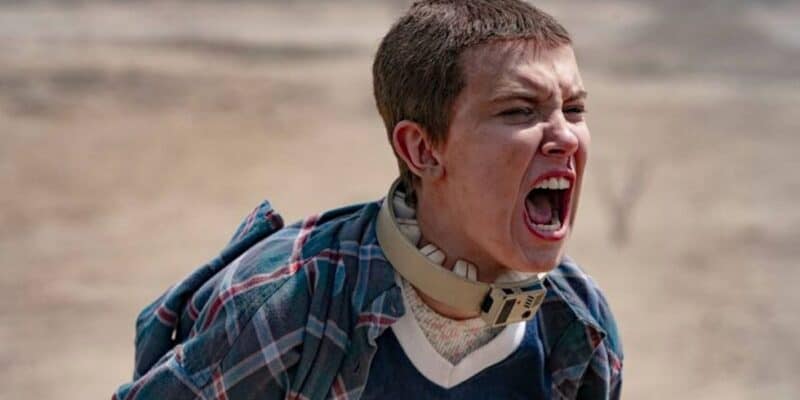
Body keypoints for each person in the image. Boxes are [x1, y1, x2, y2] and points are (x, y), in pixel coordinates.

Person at [113, 1, 623, 399]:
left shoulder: (579, 326)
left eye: (574, 110)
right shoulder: (286, 306)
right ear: (422, 149)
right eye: (518, 110)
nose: (566, 137)